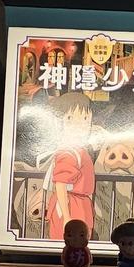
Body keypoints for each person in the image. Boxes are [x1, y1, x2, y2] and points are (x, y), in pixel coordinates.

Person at [43, 92, 96, 241]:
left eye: (85, 118)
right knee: (71, 244)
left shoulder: (78, 150)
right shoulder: (68, 152)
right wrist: (66, 216)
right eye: (70, 118)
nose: (80, 125)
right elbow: (60, 185)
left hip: (79, 205)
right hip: (71, 206)